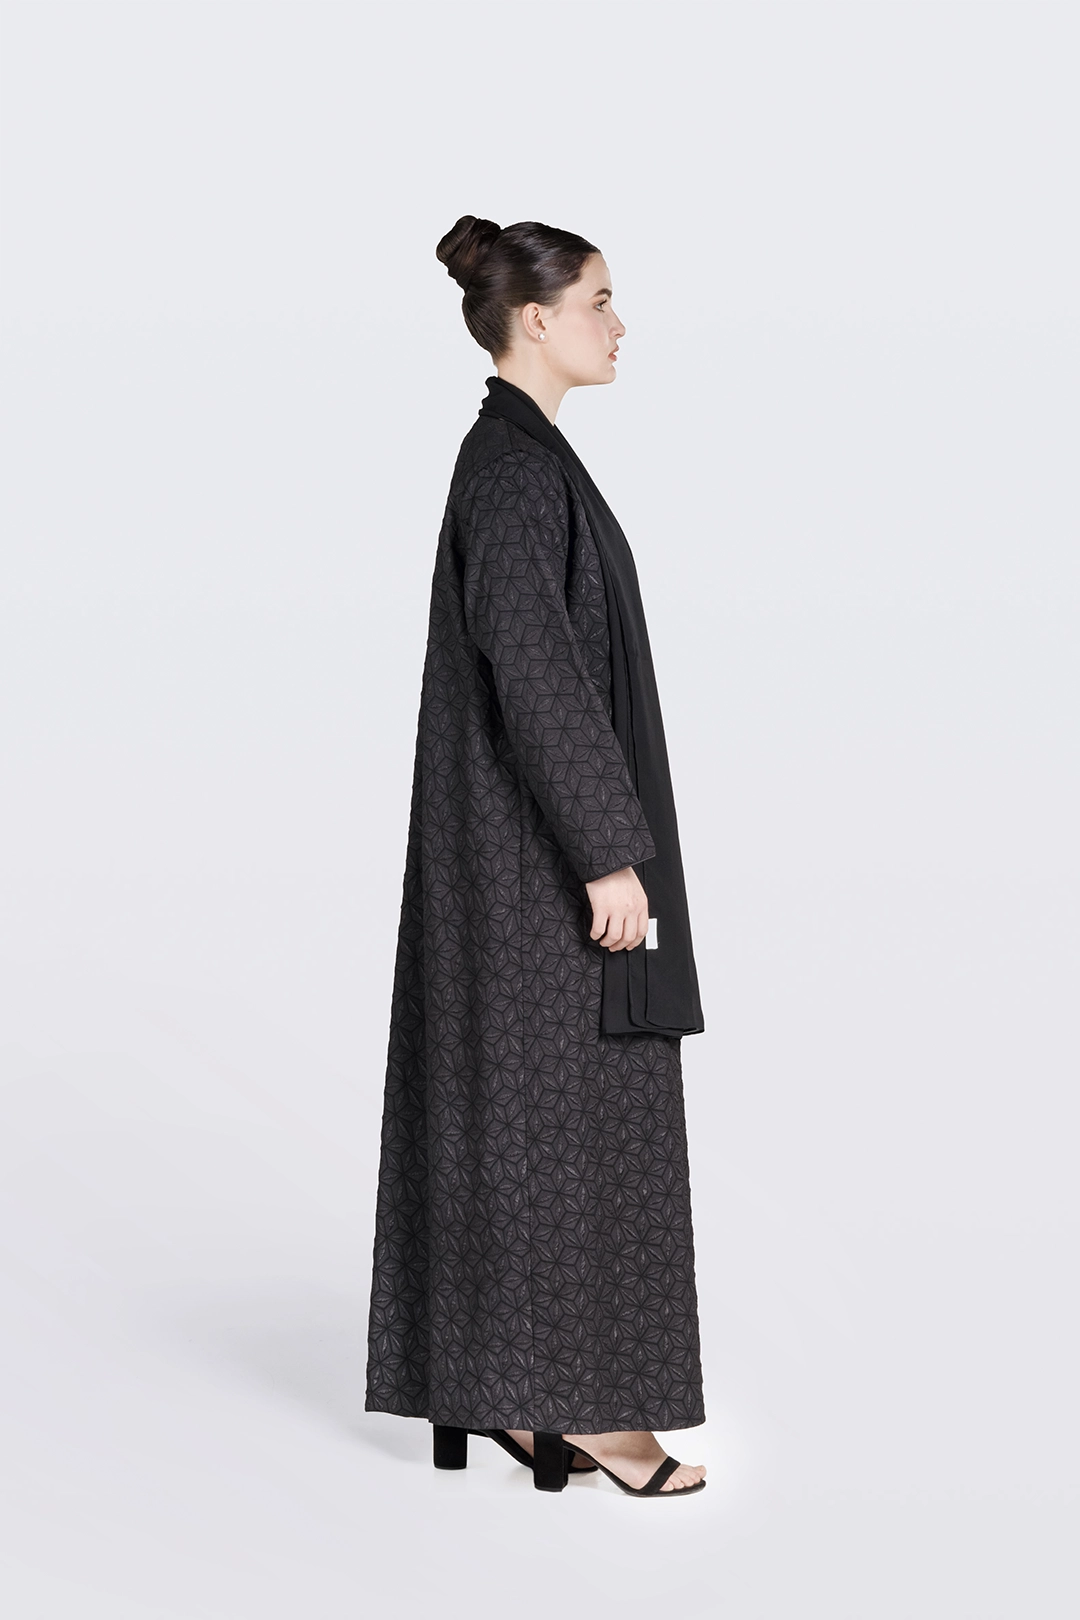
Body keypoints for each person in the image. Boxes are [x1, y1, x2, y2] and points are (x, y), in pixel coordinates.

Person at [364, 216, 707, 1497]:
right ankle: (588, 1412)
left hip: (517, 858)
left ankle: (506, 1395)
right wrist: (609, 855)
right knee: (570, 1133)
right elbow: (538, 672)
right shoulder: (512, 471)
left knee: (532, 1130)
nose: (619, 324)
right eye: (600, 301)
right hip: (533, 872)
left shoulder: (522, 459)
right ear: (536, 320)